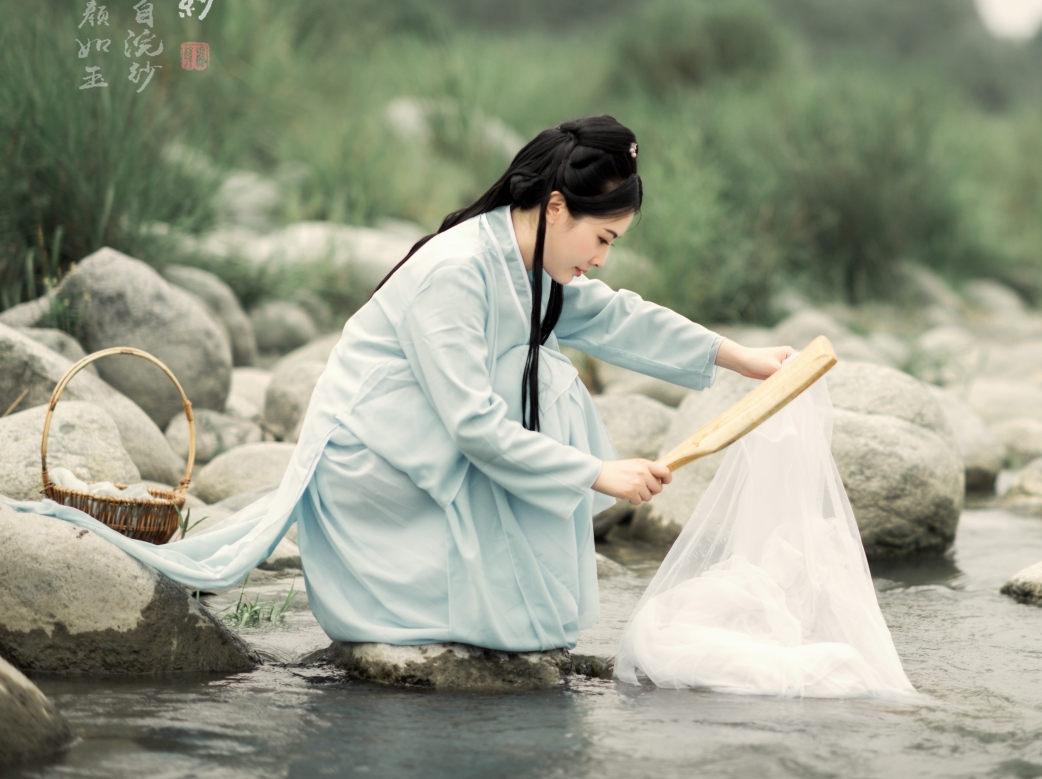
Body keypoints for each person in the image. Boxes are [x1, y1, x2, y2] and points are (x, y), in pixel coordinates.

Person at [8, 115, 792, 653]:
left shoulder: (528, 261)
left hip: (424, 443)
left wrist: (747, 360)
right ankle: (426, 599)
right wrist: (599, 472)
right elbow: (475, 428)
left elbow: (620, 319)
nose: (603, 257)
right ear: (555, 206)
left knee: (549, 369)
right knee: (544, 384)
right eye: (602, 237)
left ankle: (498, 601)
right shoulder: (456, 270)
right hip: (376, 465)